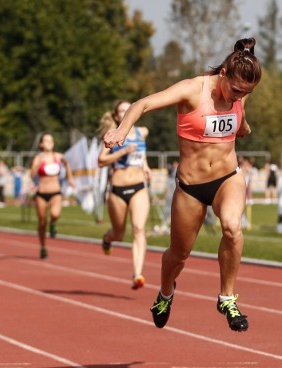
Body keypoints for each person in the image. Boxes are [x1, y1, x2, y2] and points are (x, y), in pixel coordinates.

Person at [103, 38, 262, 332]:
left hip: (228, 177)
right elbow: (144, 103)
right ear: (223, 73)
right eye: (237, 90)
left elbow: (236, 119)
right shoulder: (193, 90)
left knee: (232, 227)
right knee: (179, 255)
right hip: (191, 186)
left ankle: (227, 297)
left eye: (246, 93)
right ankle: (165, 293)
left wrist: (243, 124)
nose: (239, 96)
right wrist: (122, 131)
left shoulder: (240, 92)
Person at [97, 100, 152, 290]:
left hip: (139, 186)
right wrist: (122, 152)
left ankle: (137, 274)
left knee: (138, 228)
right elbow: (101, 160)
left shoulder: (141, 132)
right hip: (118, 189)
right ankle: (107, 238)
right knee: (118, 234)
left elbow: (141, 154)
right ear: (116, 116)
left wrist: (145, 166)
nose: (125, 113)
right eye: (121, 111)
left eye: (128, 109)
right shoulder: (112, 135)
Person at [29, 132, 75, 259]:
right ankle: (43, 246)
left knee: (55, 214)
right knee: (42, 221)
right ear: (41, 144)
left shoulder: (58, 156)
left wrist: (70, 177)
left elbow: (67, 163)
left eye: (51, 141)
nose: (49, 143)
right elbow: (32, 175)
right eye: (46, 141)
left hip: (55, 192)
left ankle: (53, 224)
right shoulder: (38, 159)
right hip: (41, 193)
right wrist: (37, 165)